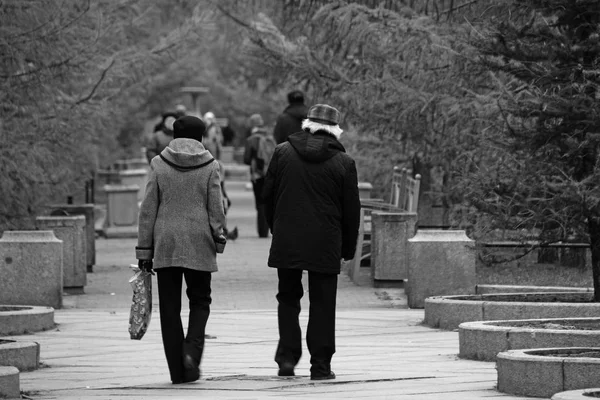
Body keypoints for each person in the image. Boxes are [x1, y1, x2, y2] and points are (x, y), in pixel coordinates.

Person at [263, 104, 361, 380]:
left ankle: (286, 359)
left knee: (288, 298)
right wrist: (347, 248)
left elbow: (267, 196)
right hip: (326, 240)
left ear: (307, 124)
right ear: (335, 130)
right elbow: (351, 211)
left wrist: (276, 227)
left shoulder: (282, 153)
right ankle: (320, 366)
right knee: (323, 303)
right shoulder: (344, 163)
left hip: (288, 237)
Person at [136, 115, 227, 385]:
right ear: (201, 136)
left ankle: (178, 372)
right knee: (200, 301)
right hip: (200, 241)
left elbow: (148, 209)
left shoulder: (158, 164)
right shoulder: (211, 165)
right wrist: (219, 238)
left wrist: (144, 251)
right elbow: (216, 209)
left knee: (169, 308)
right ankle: (192, 350)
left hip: (166, 242)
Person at [243, 114, 276, 238]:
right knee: (267, 200)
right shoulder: (270, 138)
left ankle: (261, 231)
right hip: (270, 174)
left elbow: (246, 159)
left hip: (257, 175)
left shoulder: (251, 139)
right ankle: (266, 229)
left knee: (259, 201)